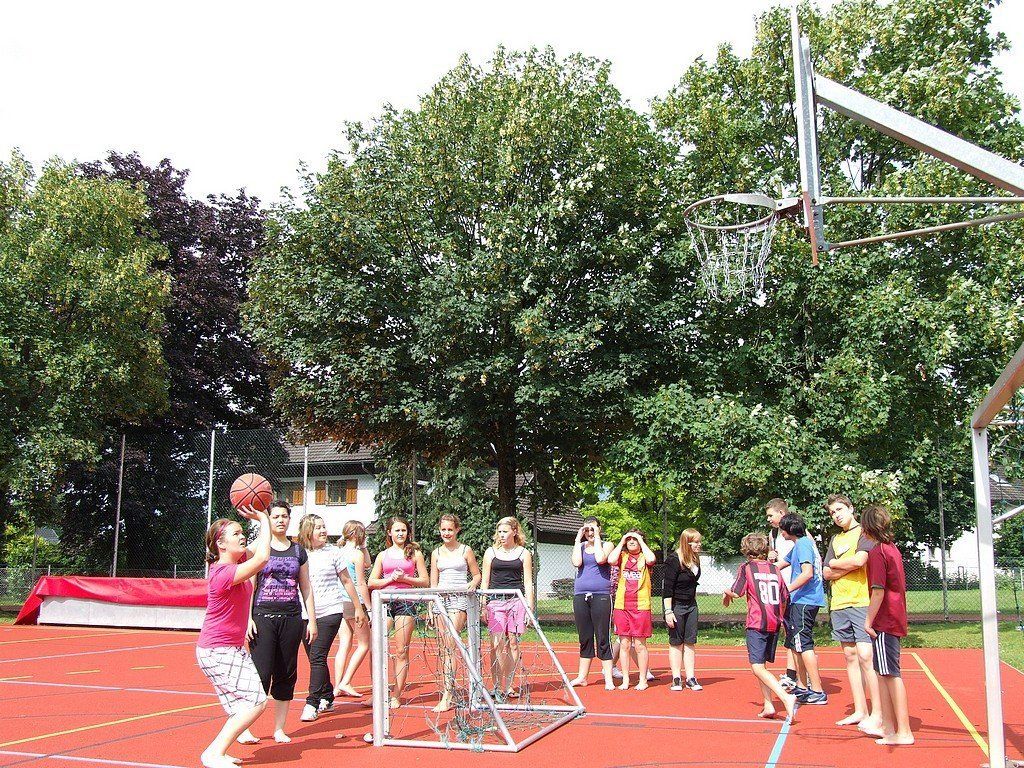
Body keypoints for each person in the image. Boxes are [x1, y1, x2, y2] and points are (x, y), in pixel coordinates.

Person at [196, 506, 271, 768]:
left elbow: (260, 547)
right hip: (218, 650)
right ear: (221, 543)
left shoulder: (236, 563)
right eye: (236, 533)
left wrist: (262, 521)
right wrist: (263, 518)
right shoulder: (222, 572)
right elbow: (262, 558)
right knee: (256, 702)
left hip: (229, 648)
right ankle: (213, 753)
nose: (242, 536)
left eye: (242, 532)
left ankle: (220, 752)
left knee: (243, 705)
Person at [238, 500, 316, 744]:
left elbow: (306, 587)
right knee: (260, 674)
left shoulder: (298, 551)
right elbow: (249, 587)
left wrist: (312, 620)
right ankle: (244, 727)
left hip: (291, 618)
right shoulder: (257, 550)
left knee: (286, 674)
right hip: (263, 617)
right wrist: (247, 619)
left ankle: (279, 728)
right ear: (268, 520)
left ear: (289, 520)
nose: (281, 520)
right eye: (275, 516)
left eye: (284, 516)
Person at [822, 494, 883, 733]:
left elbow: (860, 561)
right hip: (839, 603)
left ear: (850, 508)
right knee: (850, 656)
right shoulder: (835, 539)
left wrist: (837, 564)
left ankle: (878, 713)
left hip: (861, 601)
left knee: (866, 656)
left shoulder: (864, 533)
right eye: (832, 513)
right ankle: (860, 710)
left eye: (839, 510)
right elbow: (825, 572)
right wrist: (839, 566)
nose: (836, 515)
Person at [296, 514, 365, 723]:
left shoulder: (334, 552)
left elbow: (347, 581)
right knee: (314, 657)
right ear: (308, 531)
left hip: (330, 610)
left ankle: (312, 703)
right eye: (318, 527)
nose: (323, 530)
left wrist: (358, 607)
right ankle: (327, 695)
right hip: (305, 613)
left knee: (318, 656)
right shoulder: (298, 553)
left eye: (324, 526)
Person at [723, 532, 796, 722]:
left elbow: (737, 592)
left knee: (757, 667)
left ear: (746, 550)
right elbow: (784, 597)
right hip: (774, 622)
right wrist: (781, 619)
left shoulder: (746, 568)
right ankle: (768, 705)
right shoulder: (775, 569)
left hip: (756, 622)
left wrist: (726, 592)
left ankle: (786, 697)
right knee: (762, 665)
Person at [862, 505, 913, 745]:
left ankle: (904, 731)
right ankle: (889, 726)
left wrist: (868, 620)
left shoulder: (877, 552)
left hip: (885, 619)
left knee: (891, 674)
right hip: (892, 616)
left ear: (867, 528)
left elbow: (878, 591)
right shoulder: (891, 549)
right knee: (882, 673)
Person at [368, 516, 429, 709]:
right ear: (389, 533)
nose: (401, 533)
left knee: (401, 650)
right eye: (397, 530)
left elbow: (425, 581)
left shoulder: (415, 554)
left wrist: (405, 579)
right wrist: (389, 580)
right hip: (385, 602)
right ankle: (378, 692)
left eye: (404, 530)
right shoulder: (382, 555)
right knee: (377, 647)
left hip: (405, 602)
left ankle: (396, 695)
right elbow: (371, 582)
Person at [429, 513, 481, 712]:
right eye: (443, 529)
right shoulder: (436, 553)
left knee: (451, 644)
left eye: (450, 529)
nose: (446, 533)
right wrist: (431, 606)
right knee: (444, 648)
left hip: (459, 599)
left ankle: (448, 695)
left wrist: (472, 583)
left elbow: (476, 575)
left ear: (457, 529)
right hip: (440, 600)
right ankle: (447, 689)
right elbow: (433, 582)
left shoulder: (465, 550)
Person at [480, 517, 534, 699]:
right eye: (499, 532)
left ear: (514, 532)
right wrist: (483, 605)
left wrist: (529, 607)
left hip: (516, 601)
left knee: (513, 643)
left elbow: (528, 582)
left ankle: (508, 685)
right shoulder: (491, 552)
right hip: (495, 602)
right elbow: (485, 581)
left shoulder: (523, 553)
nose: (501, 535)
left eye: (505, 532)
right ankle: (496, 685)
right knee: (496, 644)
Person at [777, 512, 827, 705]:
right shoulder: (799, 545)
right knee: (795, 644)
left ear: (790, 529)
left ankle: (817, 690)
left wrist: (787, 590)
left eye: (782, 529)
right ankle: (803, 685)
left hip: (805, 600)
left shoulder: (804, 544)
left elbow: (807, 573)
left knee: (803, 644)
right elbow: (781, 564)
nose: (781, 533)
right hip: (800, 600)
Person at [568, 516, 614, 690]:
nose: (590, 533)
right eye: (586, 529)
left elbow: (601, 559)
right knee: (585, 637)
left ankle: (608, 678)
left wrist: (597, 538)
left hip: (601, 595)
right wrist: (577, 540)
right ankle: (582, 677)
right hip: (580, 595)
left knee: (602, 637)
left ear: (599, 529)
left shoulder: (607, 545)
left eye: (593, 529)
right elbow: (576, 562)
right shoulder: (580, 546)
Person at [609, 529, 656, 690]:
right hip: (622, 606)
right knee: (624, 644)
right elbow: (610, 559)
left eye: (634, 539)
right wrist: (622, 540)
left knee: (640, 644)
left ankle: (643, 679)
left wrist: (640, 540)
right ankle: (626, 679)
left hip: (641, 606)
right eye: (629, 539)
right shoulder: (622, 556)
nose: (631, 541)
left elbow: (652, 559)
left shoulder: (645, 557)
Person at [333, 521, 372, 699]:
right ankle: (346, 681)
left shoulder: (338, 552)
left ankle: (337, 685)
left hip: (340, 601)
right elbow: (361, 582)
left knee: (344, 644)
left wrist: (363, 547)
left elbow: (368, 563)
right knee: (364, 644)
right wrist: (368, 607)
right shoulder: (356, 555)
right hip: (353, 601)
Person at [662, 528, 703, 692]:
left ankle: (691, 678)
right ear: (687, 542)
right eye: (696, 542)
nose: (699, 545)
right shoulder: (673, 560)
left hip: (691, 605)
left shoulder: (695, 558)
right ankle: (676, 678)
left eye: (700, 541)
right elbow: (667, 589)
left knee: (690, 642)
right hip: (676, 606)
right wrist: (668, 611)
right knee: (676, 642)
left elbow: (693, 583)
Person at [766, 499, 799, 690]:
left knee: (795, 632)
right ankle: (792, 673)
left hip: (796, 588)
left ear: (781, 513)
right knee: (788, 631)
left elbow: (808, 551)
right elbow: (775, 557)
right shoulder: (773, 534)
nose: (769, 519)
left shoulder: (798, 531)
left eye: (771, 515)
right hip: (782, 588)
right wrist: (771, 556)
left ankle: (797, 675)